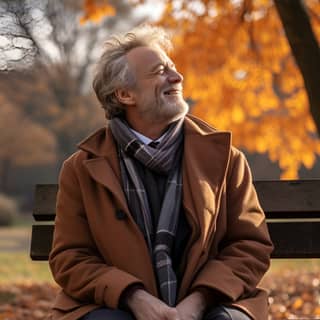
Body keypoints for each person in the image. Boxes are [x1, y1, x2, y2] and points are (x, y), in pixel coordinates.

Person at [48, 24, 274, 320]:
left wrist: (199, 301)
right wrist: (133, 297)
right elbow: (70, 259)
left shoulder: (225, 159)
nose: (177, 77)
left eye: (173, 68)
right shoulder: (81, 169)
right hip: (118, 306)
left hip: (211, 303)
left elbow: (250, 245)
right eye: (159, 71)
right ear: (125, 94)